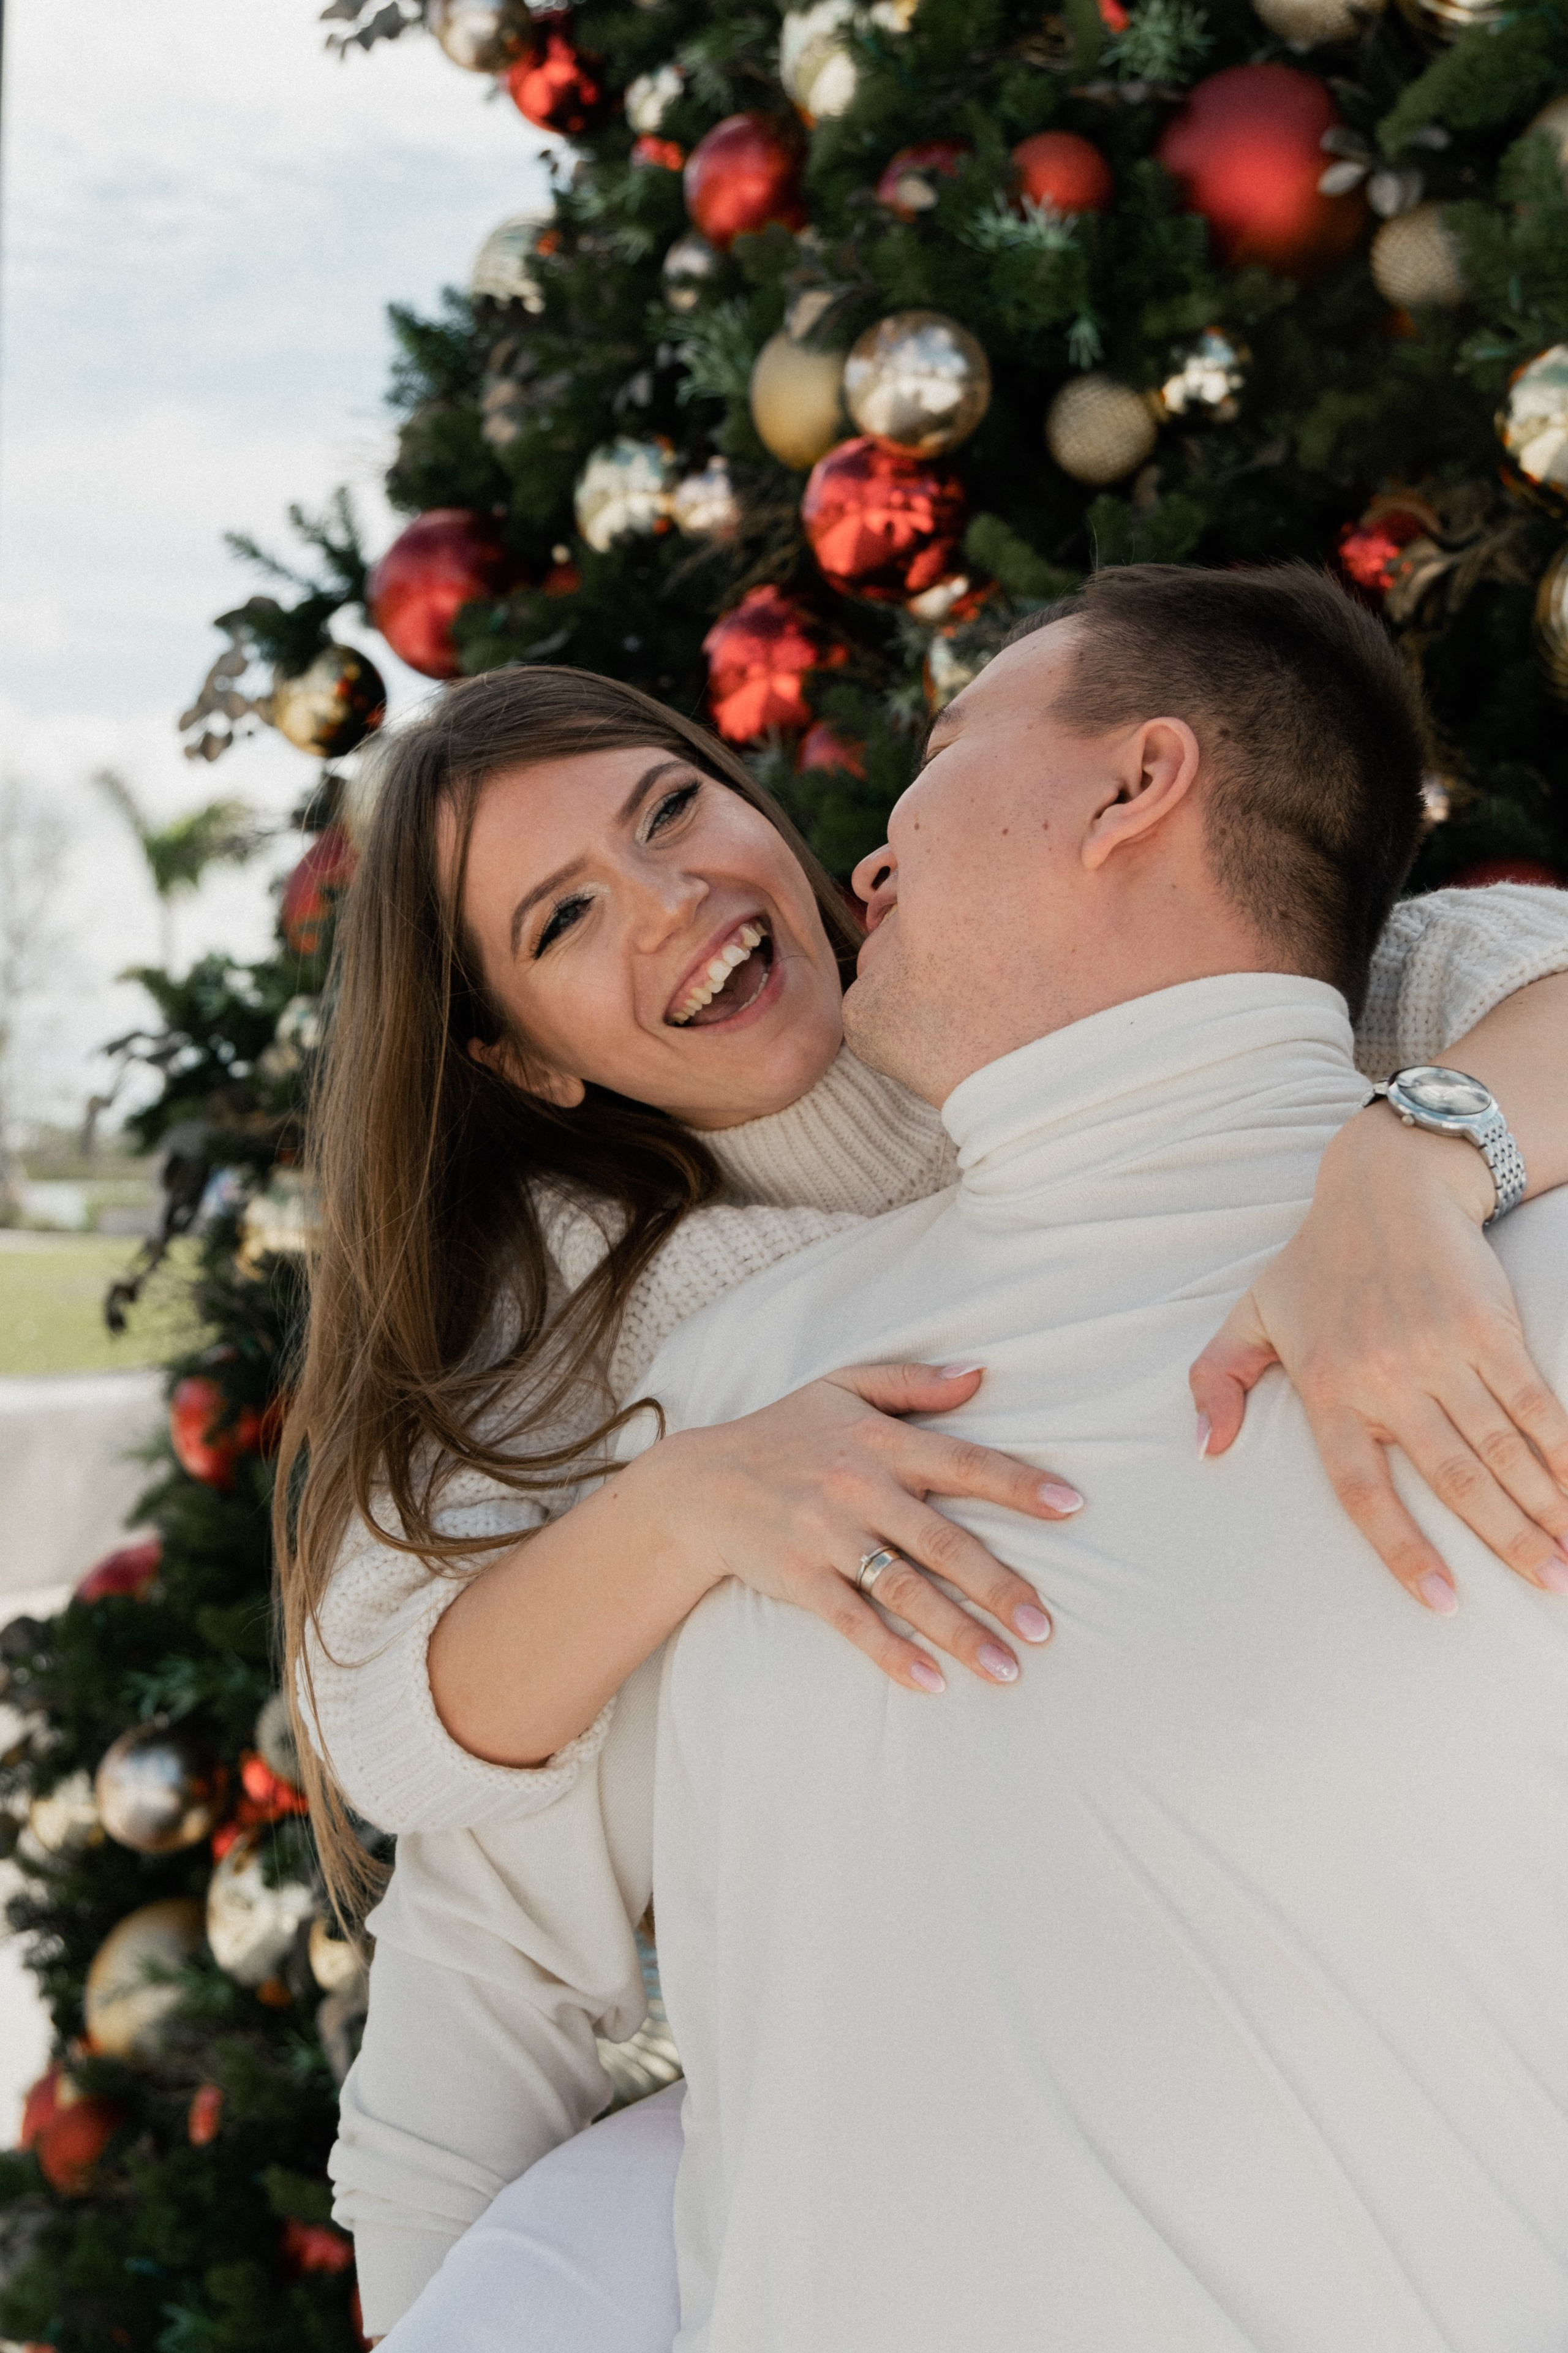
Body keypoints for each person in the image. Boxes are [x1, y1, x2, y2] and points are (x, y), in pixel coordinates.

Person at [322, 573, 1568, 2346]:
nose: (677, 898)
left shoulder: (1389, 1024)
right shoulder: (674, 1367)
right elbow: (420, 1784)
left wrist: (1417, 1158)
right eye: (566, 915)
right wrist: (678, 1507)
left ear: (1137, 793)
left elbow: (1496, 974)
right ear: (526, 1055)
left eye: (675, 808)